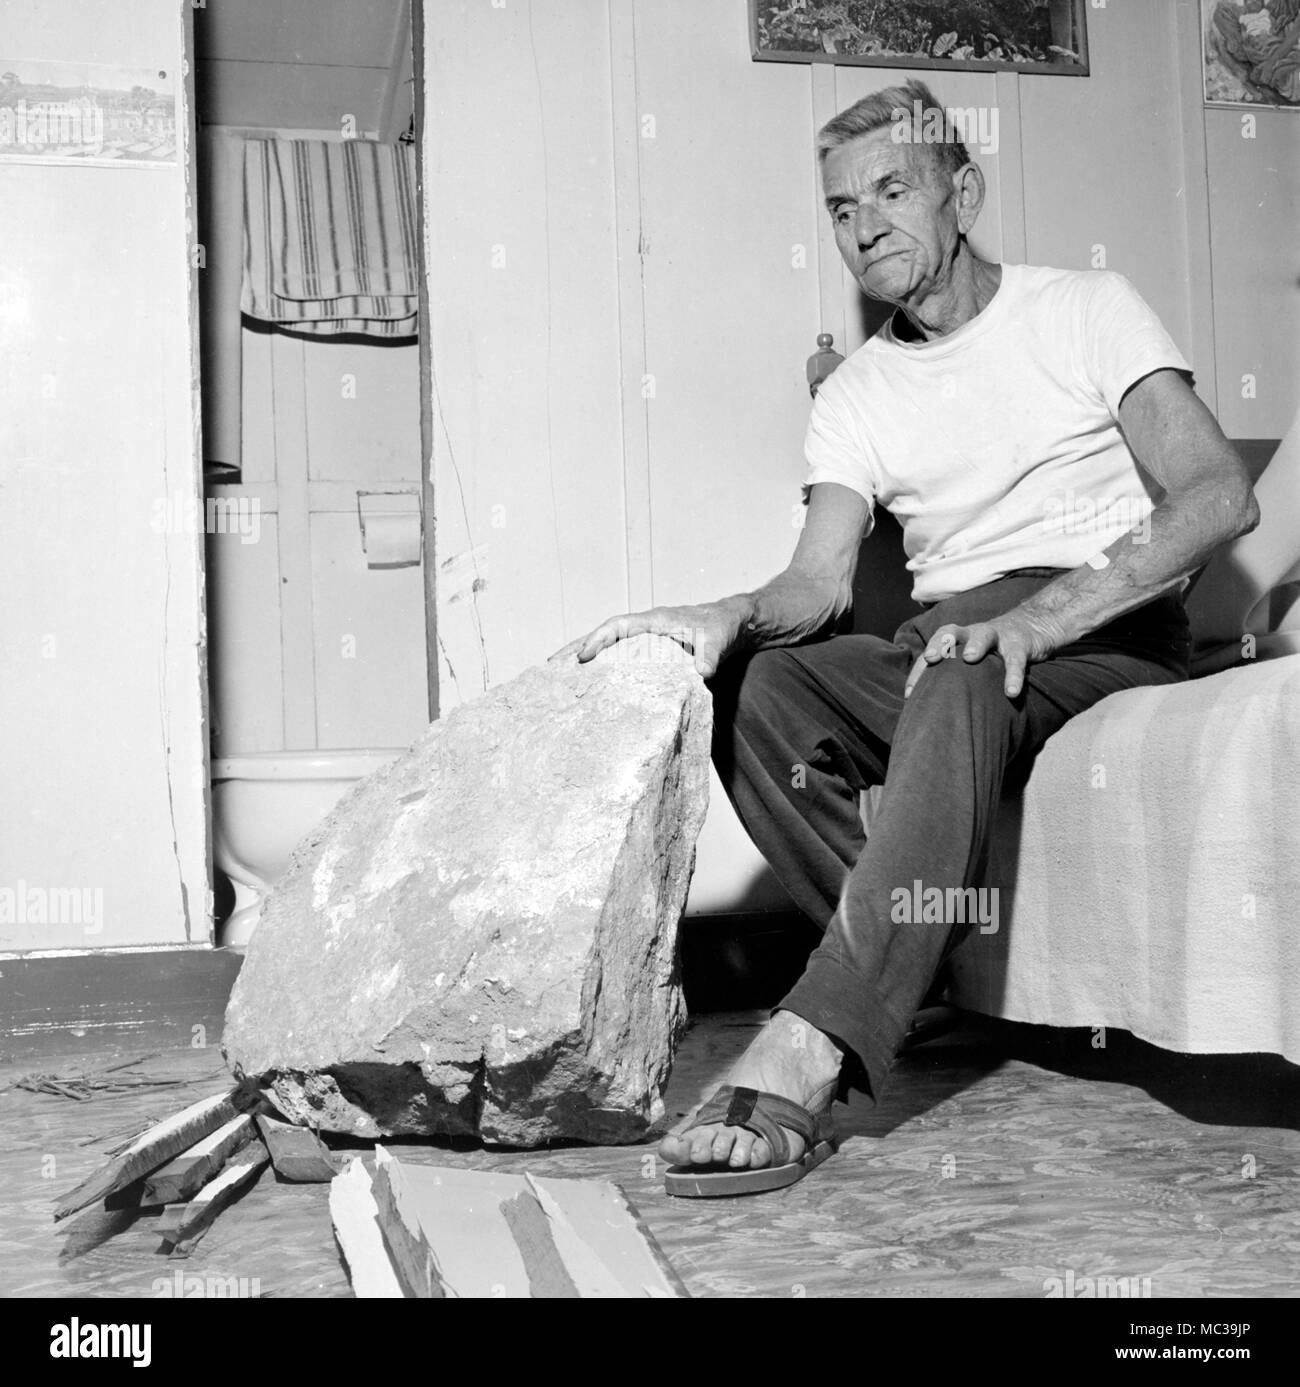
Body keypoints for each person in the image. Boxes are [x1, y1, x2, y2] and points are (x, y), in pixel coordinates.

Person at [550, 80, 1259, 1197]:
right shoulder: (859, 392)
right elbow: (816, 583)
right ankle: (914, 963)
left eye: (891, 189)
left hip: (1102, 621)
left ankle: (811, 1041)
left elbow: (1218, 495)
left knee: (965, 657)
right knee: (758, 685)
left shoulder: (1084, 306)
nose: (863, 222)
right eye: (839, 207)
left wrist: (1035, 617)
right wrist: (724, 616)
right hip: (947, 638)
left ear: (961, 191)